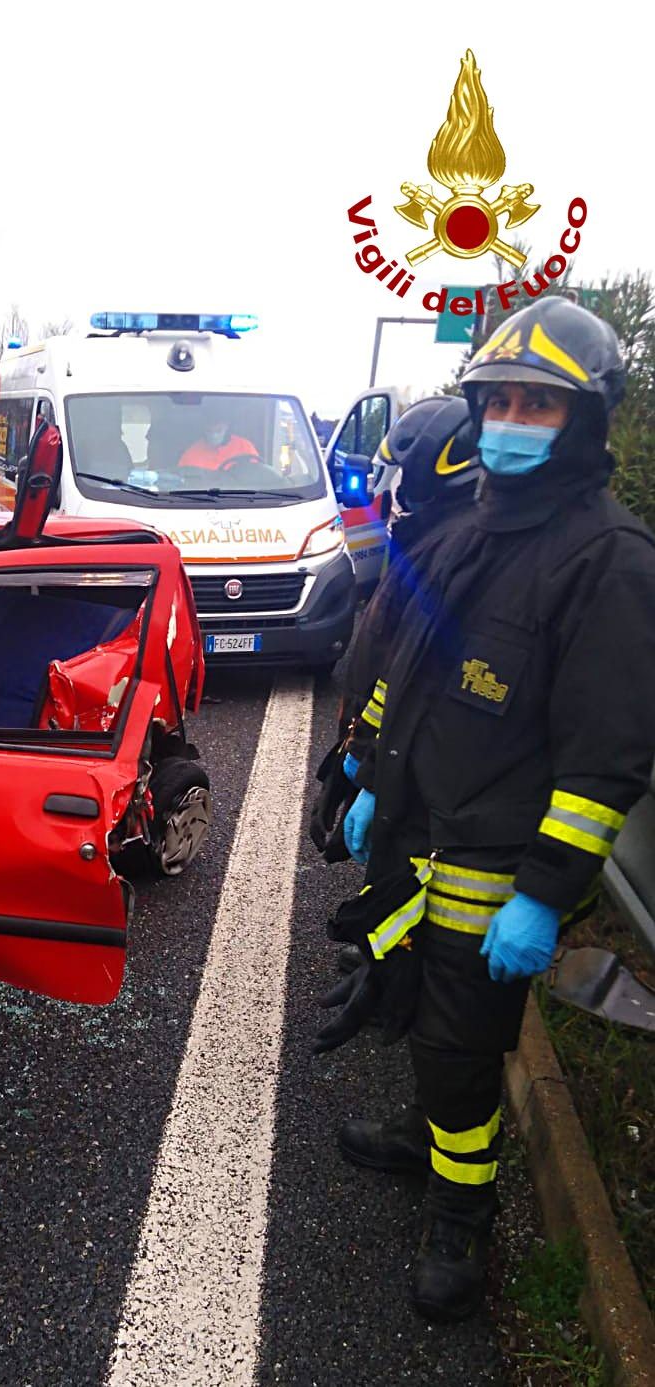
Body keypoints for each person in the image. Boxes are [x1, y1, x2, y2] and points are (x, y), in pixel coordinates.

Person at [331, 296, 655, 1322]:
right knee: (413, 1007)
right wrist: (370, 777)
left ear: (584, 418)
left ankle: (459, 1218)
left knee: (460, 1046)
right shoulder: (471, 528)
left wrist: (545, 894)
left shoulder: (609, 561)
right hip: (415, 834)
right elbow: (408, 664)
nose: (511, 422)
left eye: (537, 405)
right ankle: (426, 1135)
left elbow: (606, 757)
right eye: (500, 402)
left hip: (494, 869)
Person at [310, 395, 481, 862]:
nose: (397, 487)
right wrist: (349, 758)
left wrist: (370, 774)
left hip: (415, 778)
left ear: (431, 473)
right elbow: (388, 669)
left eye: (406, 472)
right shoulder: (424, 537)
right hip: (384, 754)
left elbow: (418, 677)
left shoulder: (455, 550)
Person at [177, 406, 260, 472]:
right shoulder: (192, 453)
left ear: (227, 426)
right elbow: (181, 480)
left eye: (218, 430)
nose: (214, 436)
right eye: (209, 431)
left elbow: (257, 475)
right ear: (203, 429)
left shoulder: (244, 447)